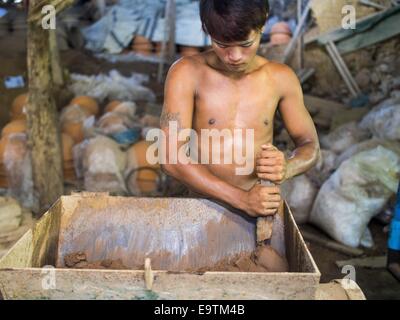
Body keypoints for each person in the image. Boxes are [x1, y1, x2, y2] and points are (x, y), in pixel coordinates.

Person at [160, 0, 319, 222]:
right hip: (199, 209)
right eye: (222, 44)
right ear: (206, 30)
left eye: (245, 44)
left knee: (268, 258)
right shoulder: (187, 73)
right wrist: (242, 199)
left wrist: (288, 167)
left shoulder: (281, 78)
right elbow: (170, 158)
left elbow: (310, 146)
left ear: (262, 26)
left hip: (259, 213)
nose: (234, 56)